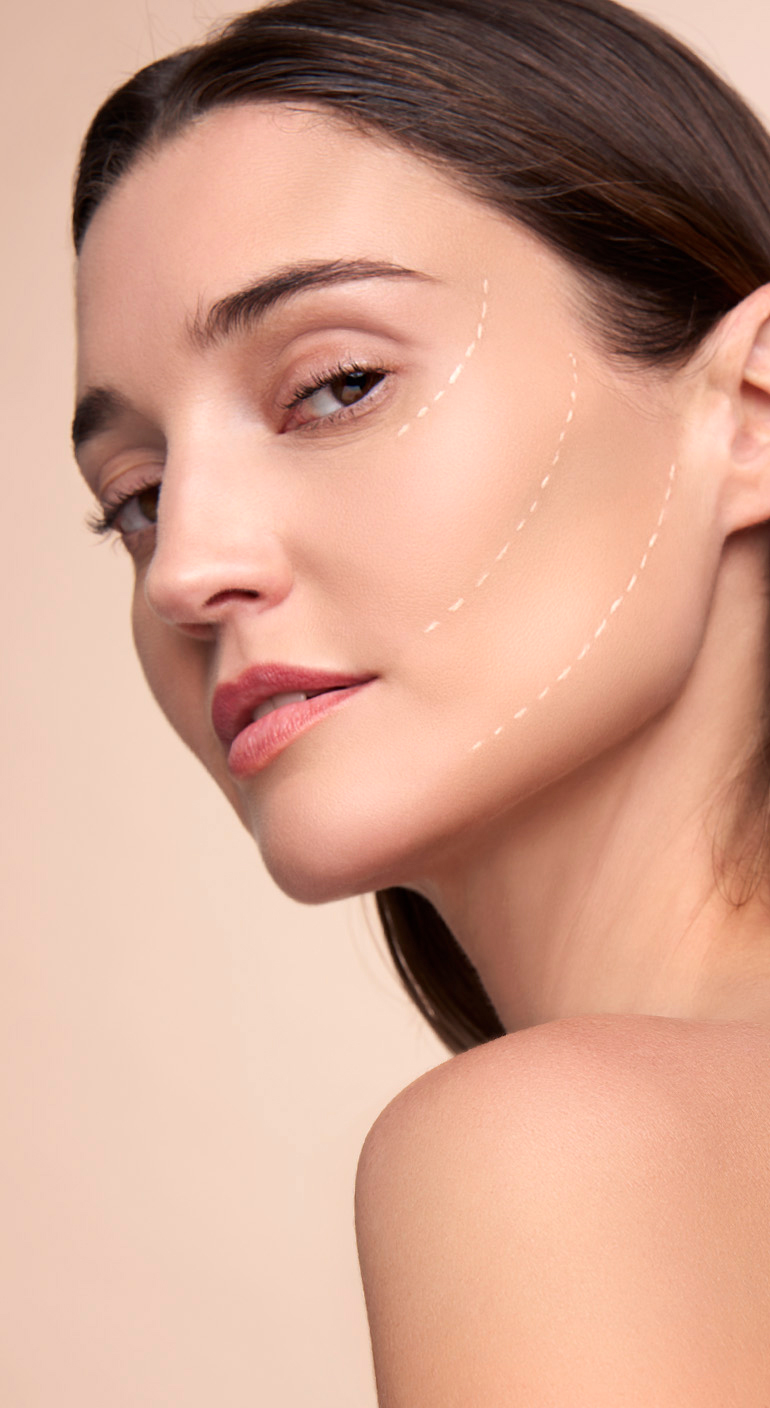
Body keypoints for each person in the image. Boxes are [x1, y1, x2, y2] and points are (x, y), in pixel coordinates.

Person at [71, 0, 770, 1398]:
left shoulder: (559, 1152)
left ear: (750, 413)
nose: (186, 569)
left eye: (336, 386)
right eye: (135, 498)